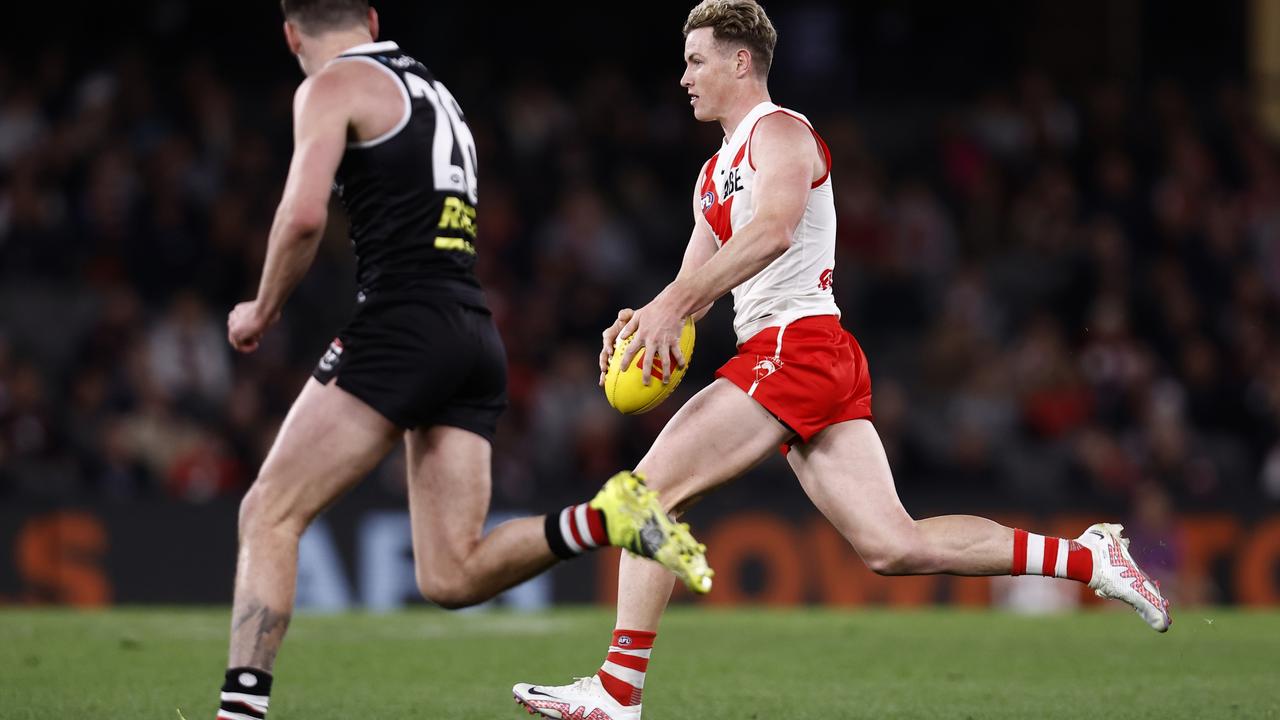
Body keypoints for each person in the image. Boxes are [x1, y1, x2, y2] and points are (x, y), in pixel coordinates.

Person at [511, 2, 1171, 718]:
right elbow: (693, 290)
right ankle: (1090, 558)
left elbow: (773, 231)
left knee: (646, 495)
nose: (683, 78)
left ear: (740, 62)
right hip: (801, 356)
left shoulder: (782, 133)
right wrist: (646, 319)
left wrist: (674, 306)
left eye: (696, 60)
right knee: (894, 545)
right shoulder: (712, 175)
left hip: (796, 346)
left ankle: (616, 693)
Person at [214, 2, 712, 719]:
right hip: (473, 331)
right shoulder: (433, 92)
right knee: (451, 574)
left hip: (400, 320)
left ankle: (238, 713)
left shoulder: (330, 85)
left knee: (268, 512)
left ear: (292, 33)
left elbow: (301, 217)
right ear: (372, 16)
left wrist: (261, 309)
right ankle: (608, 518)